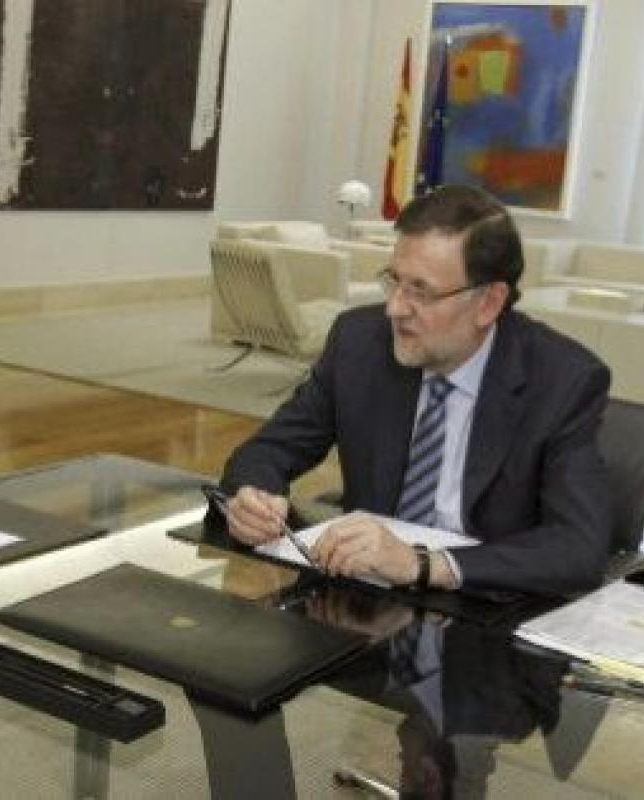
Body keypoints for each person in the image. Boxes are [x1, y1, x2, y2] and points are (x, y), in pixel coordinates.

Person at [218, 185, 612, 596]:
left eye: (421, 291)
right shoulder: (360, 342)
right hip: (364, 598)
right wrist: (254, 498)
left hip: (482, 604)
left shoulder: (563, 379)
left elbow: (578, 547)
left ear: (488, 303)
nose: (395, 308)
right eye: (394, 281)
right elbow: (267, 451)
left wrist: (423, 564)